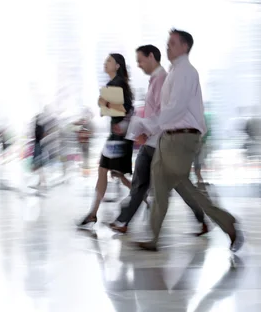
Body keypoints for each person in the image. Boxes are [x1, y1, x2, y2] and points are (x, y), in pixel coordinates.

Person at [136, 29, 243, 252]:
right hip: (168, 137)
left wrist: (150, 125)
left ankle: (226, 221)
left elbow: (176, 108)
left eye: (172, 43)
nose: (168, 47)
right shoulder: (175, 72)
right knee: (160, 184)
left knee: (182, 183)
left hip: (182, 138)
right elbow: (167, 110)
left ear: (184, 47)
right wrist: (153, 129)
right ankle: (153, 237)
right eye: (167, 43)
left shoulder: (186, 71)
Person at [108, 45, 208, 236]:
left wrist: (146, 130)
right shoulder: (155, 80)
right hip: (152, 142)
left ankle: (201, 217)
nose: (138, 65)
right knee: (140, 182)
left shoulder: (163, 80)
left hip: (162, 143)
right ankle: (124, 221)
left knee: (179, 185)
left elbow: (167, 114)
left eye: (140, 60)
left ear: (151, 57)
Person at [77, 53, 134, 229]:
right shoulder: (119, 83)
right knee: (114, 173)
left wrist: (105, 104)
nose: (105, 62)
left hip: (117, 137)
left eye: (109, 60)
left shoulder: (116, 83)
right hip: (118, 136)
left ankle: (94, 213)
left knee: (107, 171)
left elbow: (121, 110)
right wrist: (105, 105)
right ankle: (93, 213)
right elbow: (122, 110)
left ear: (117, 65)